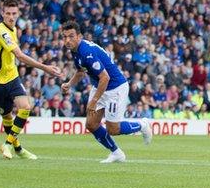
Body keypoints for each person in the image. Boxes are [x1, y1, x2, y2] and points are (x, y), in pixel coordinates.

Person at [60, 21, 152, 163]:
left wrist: (94, 100)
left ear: (79, 36)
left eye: (71, 36)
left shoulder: (86, 52)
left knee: (113, 129)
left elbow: (105, 77)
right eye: (64, 37)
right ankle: (117, 153)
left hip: (115, 87)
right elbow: (81, 70)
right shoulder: (75, 50)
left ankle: (142, 125)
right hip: (100, 86)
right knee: (91, 124)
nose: (67, 40)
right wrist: (69, 84)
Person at [0, 0, 61, 160]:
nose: (11, 17)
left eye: (14, 13)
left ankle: (7, 144)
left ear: (18, 13)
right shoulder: (1, 32)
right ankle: (18, 148)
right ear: (2, 13)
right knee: (6, 116)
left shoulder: (13, 29)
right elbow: (19, 55)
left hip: (11, 77)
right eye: (8, 13)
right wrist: (45, 67)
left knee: (25, 106)